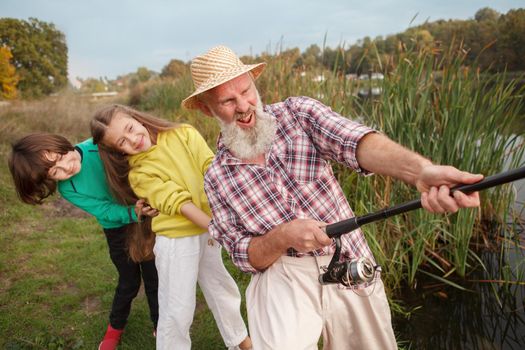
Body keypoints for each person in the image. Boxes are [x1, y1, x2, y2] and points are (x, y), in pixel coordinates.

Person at [181, 45, 484, 350]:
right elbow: (241, 255)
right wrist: (283, 236)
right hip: (283, 273)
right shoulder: (217, 177)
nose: (244, 106)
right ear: (208, 109)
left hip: (347, 260)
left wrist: (421, 172)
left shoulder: (298, 113)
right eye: (228, 101)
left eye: (247, 91)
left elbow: (356, 142)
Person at [90, 105, 252, 350]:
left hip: (207, 230)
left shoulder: (183, 133)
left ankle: (242, 342)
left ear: (137, 118)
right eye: (122, 142)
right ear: (117, 152)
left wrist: (231, 213)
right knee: (178, 310)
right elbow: (179, 203)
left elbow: (211, 167)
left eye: (131, 128)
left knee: (223, 290)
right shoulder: (139, 173)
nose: (133, 139)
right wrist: (219, 228)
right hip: (177, 241)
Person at [8, 133, 160, 350]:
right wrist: (131, 213)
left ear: (61, 143)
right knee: (128, 282)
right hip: (117, 228)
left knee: (154, 276)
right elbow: (104, 209)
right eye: (55, 172)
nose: (65, 168)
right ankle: (114, 329)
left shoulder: (99, 146)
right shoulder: (68, 189)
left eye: (61, 157)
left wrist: (143, 208)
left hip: (147, 216)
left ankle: (160, 323)